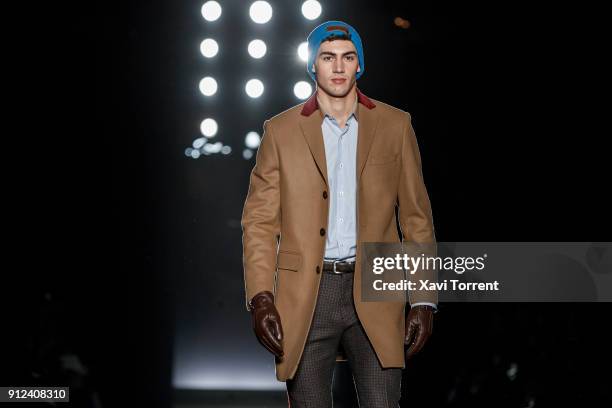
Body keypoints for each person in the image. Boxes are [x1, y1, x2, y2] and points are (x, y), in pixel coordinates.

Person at [242, 20, 437, 407]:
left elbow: (416, 218)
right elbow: (260, 223)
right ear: (313, 65)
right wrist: (261, 296)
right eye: (327, 57)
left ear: (359, 65)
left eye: (348, 57)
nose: (337, 66)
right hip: (306, 293)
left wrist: (424, 299)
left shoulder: (395, 125)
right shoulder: (280, 132)